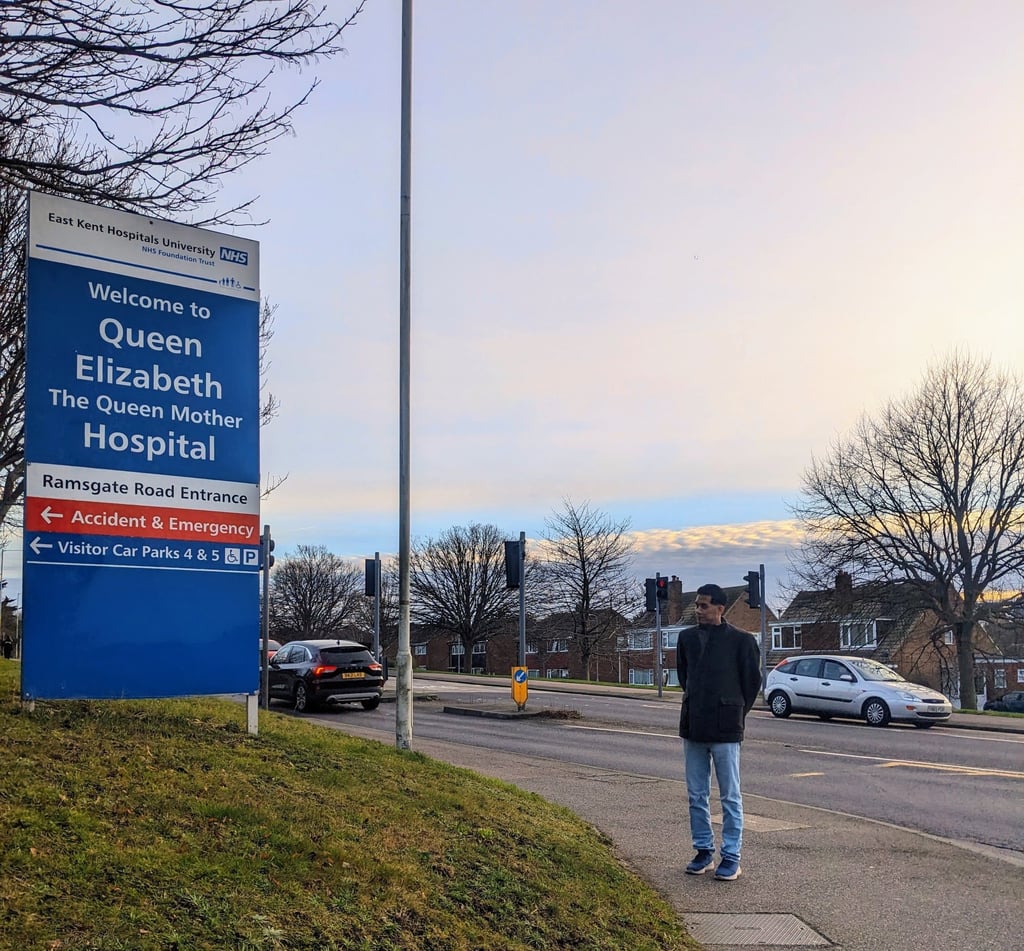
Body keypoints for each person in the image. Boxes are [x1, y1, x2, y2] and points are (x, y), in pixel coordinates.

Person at [676, 582, 761, 881]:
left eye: (703, 605)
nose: (698, 610)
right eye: (697, 605)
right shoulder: (686, 639)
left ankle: (731, 856)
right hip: (694, 726)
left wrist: (735, 710)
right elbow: (685, 678)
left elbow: (751, 683)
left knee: (730, 796)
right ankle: (703, 851)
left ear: (720, 608)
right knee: (696, 794)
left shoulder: (742, 641)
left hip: (726, 728)